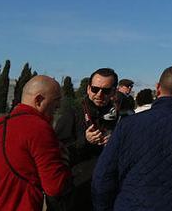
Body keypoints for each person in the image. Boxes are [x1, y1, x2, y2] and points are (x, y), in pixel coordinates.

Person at [92, 66, 172, 210]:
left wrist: (104, 207)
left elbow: (103, 176)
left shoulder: (128, 125)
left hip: (129, 203)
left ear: (158, 87)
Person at [0, 75, 71, 211]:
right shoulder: (39, 128)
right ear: (39, 100)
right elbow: (54, 186)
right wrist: (64, 161)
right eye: (56, 101)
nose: (59, 106)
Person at [51, 67, 122, 210]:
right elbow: (55, 154)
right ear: (88, 89)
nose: (100, 94)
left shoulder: (119, 120)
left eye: (106, 90)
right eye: (95, 89)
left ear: (114, 92)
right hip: (75, 192)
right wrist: (84, 141)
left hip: (105, 193)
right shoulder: (73, 114)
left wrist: (115, 144)